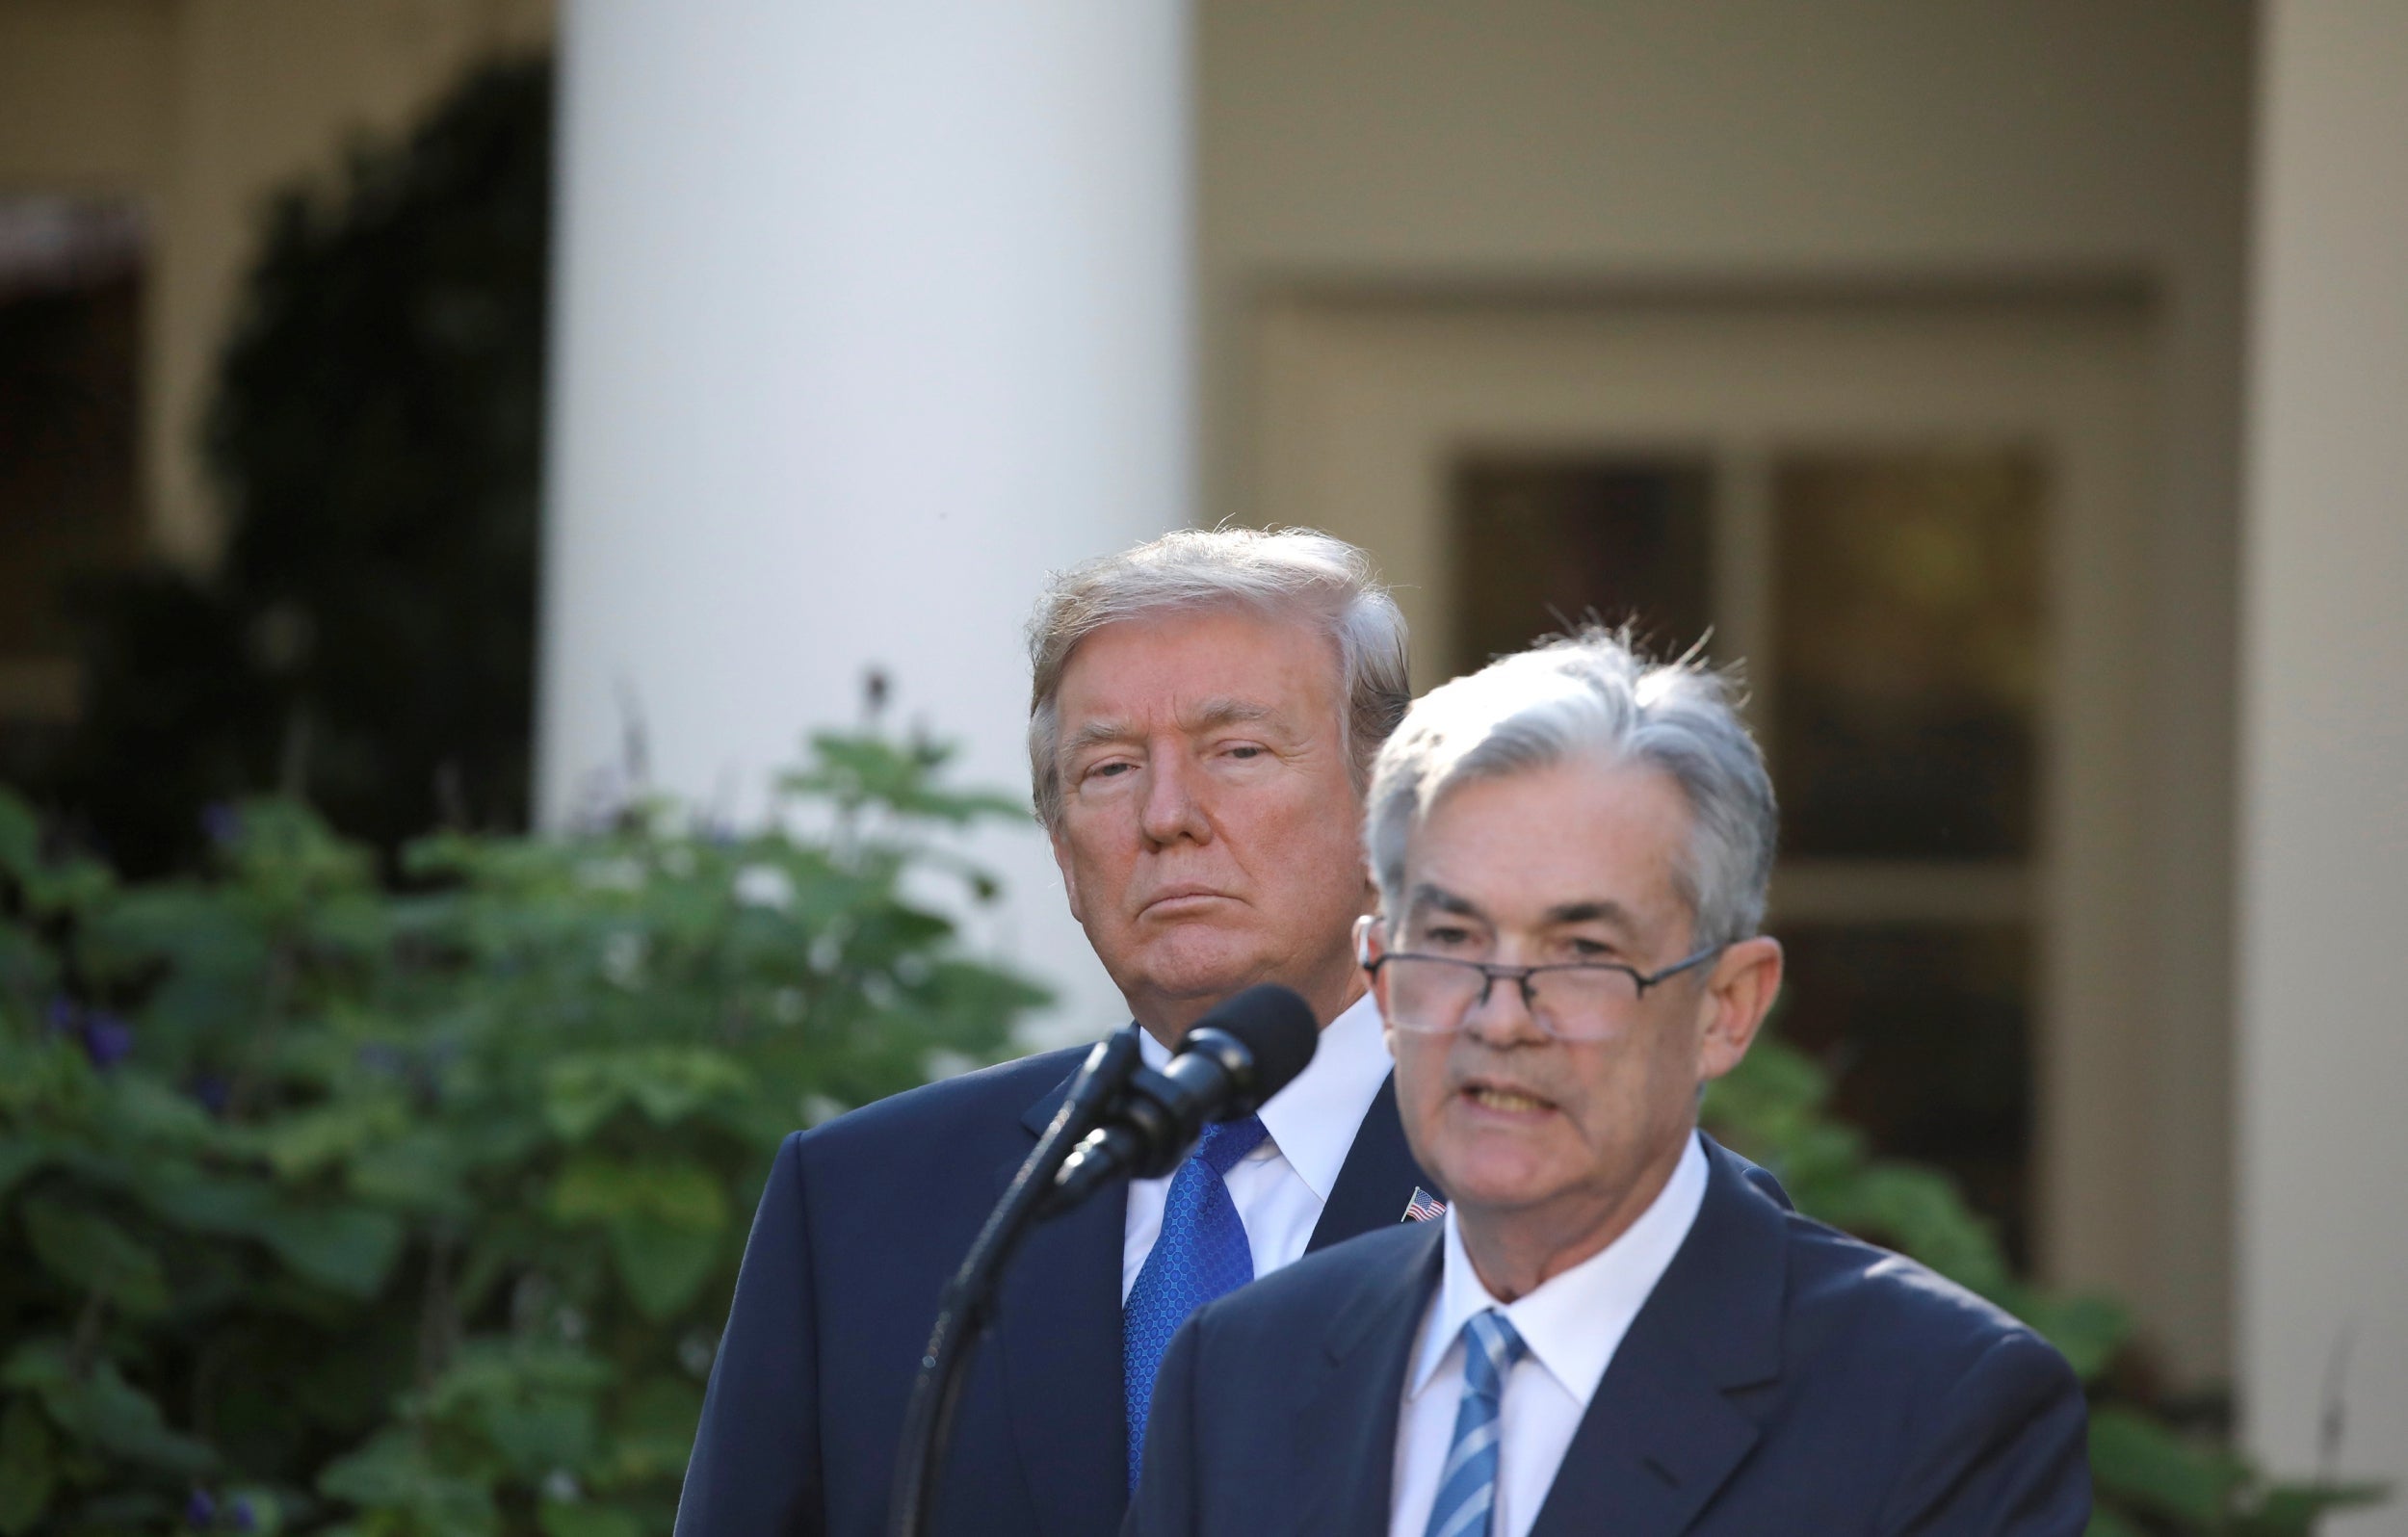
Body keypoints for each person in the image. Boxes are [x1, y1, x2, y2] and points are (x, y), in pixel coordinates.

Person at [1126, 631, 2091, 1537]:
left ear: (1726, 1006)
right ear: (1379, 977)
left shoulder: (1935, 1404)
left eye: (1582, 952)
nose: (1499, 1018)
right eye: (1453, 941)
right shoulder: (1239, 1369)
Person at [676, 528, 1440, 1537]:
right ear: (1060, 844)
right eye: (1111, 769)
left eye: (1237, 752)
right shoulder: (865, 1203)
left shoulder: (1537, 1176)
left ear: (1391, 808)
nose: (1167, 815)